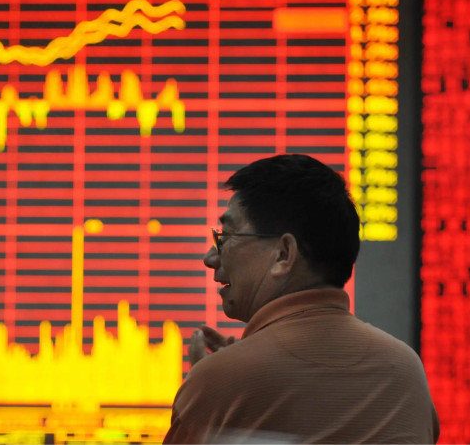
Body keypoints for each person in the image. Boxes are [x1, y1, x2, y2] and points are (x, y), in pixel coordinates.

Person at [163, 154, 439, 444]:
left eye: (225, 237)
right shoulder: (406, 372)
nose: (210, 258)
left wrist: (213, 389)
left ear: (284, 254)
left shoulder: (219, 381)